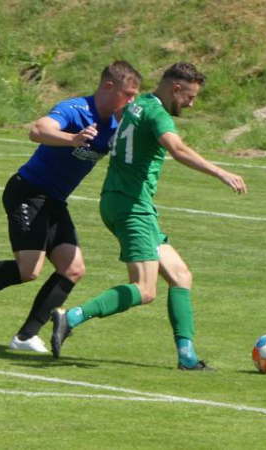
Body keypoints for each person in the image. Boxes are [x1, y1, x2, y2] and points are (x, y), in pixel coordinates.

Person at [0, 61, 142, 352]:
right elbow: (38, 129)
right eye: (128, 94)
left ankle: (26, 336)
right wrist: (73, 139)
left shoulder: (116, 125)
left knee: (73, 269)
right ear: (108, 87)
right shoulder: (76, 109)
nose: (131, 101)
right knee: (29, 270)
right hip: (27, 192)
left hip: (54, 200)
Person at [50, 62, 247, 369]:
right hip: (132, 207)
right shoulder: (157, 114)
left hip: (121, 200)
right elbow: (177, 149)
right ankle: (71, 317)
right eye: (189, 97)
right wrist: (220, 171)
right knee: (144, 289)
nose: (192, 104)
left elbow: (120, 120)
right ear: (175, 88)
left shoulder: (136, 103)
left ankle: (188, 358)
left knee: (180, 276)